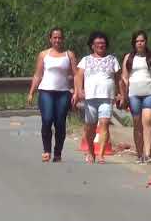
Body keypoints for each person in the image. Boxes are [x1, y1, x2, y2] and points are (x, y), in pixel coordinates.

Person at [28, 27, 78, 163]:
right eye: (54, 37)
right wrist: (31, 92)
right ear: (50, 39)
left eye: (59, 37)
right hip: (46, 91)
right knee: (47, 120)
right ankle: (46, 150)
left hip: (63, 93)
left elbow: (76, 75)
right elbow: (38, 75)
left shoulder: (69, 55)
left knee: (60, 123)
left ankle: (58, 152)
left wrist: (77, 92)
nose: (57, 40)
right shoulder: (44, 54)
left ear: (63, 39)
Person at [73, 31, 122, 164]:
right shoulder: (86, 60)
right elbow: (78, 76)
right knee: (90, 127)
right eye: (98, 43)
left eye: (103, 43)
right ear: (92, 46)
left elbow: (119, 79)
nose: (101, 45)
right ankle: (90, 151)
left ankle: (100, 154)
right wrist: (78, 91)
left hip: (107, 97)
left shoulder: (112, 59)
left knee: (105, 124)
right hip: (90, 98)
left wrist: (121, 94)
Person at [121, 31, 151, 164]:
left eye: (142, 41)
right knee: (137, 122)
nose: (140, 43)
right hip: (134, 94)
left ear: (146, 42)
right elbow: (124, 77)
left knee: (148, 120)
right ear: (134, 43)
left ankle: (147, 153)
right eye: (137, 41)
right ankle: (139, 154)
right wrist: (124, 95)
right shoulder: (129, 58)